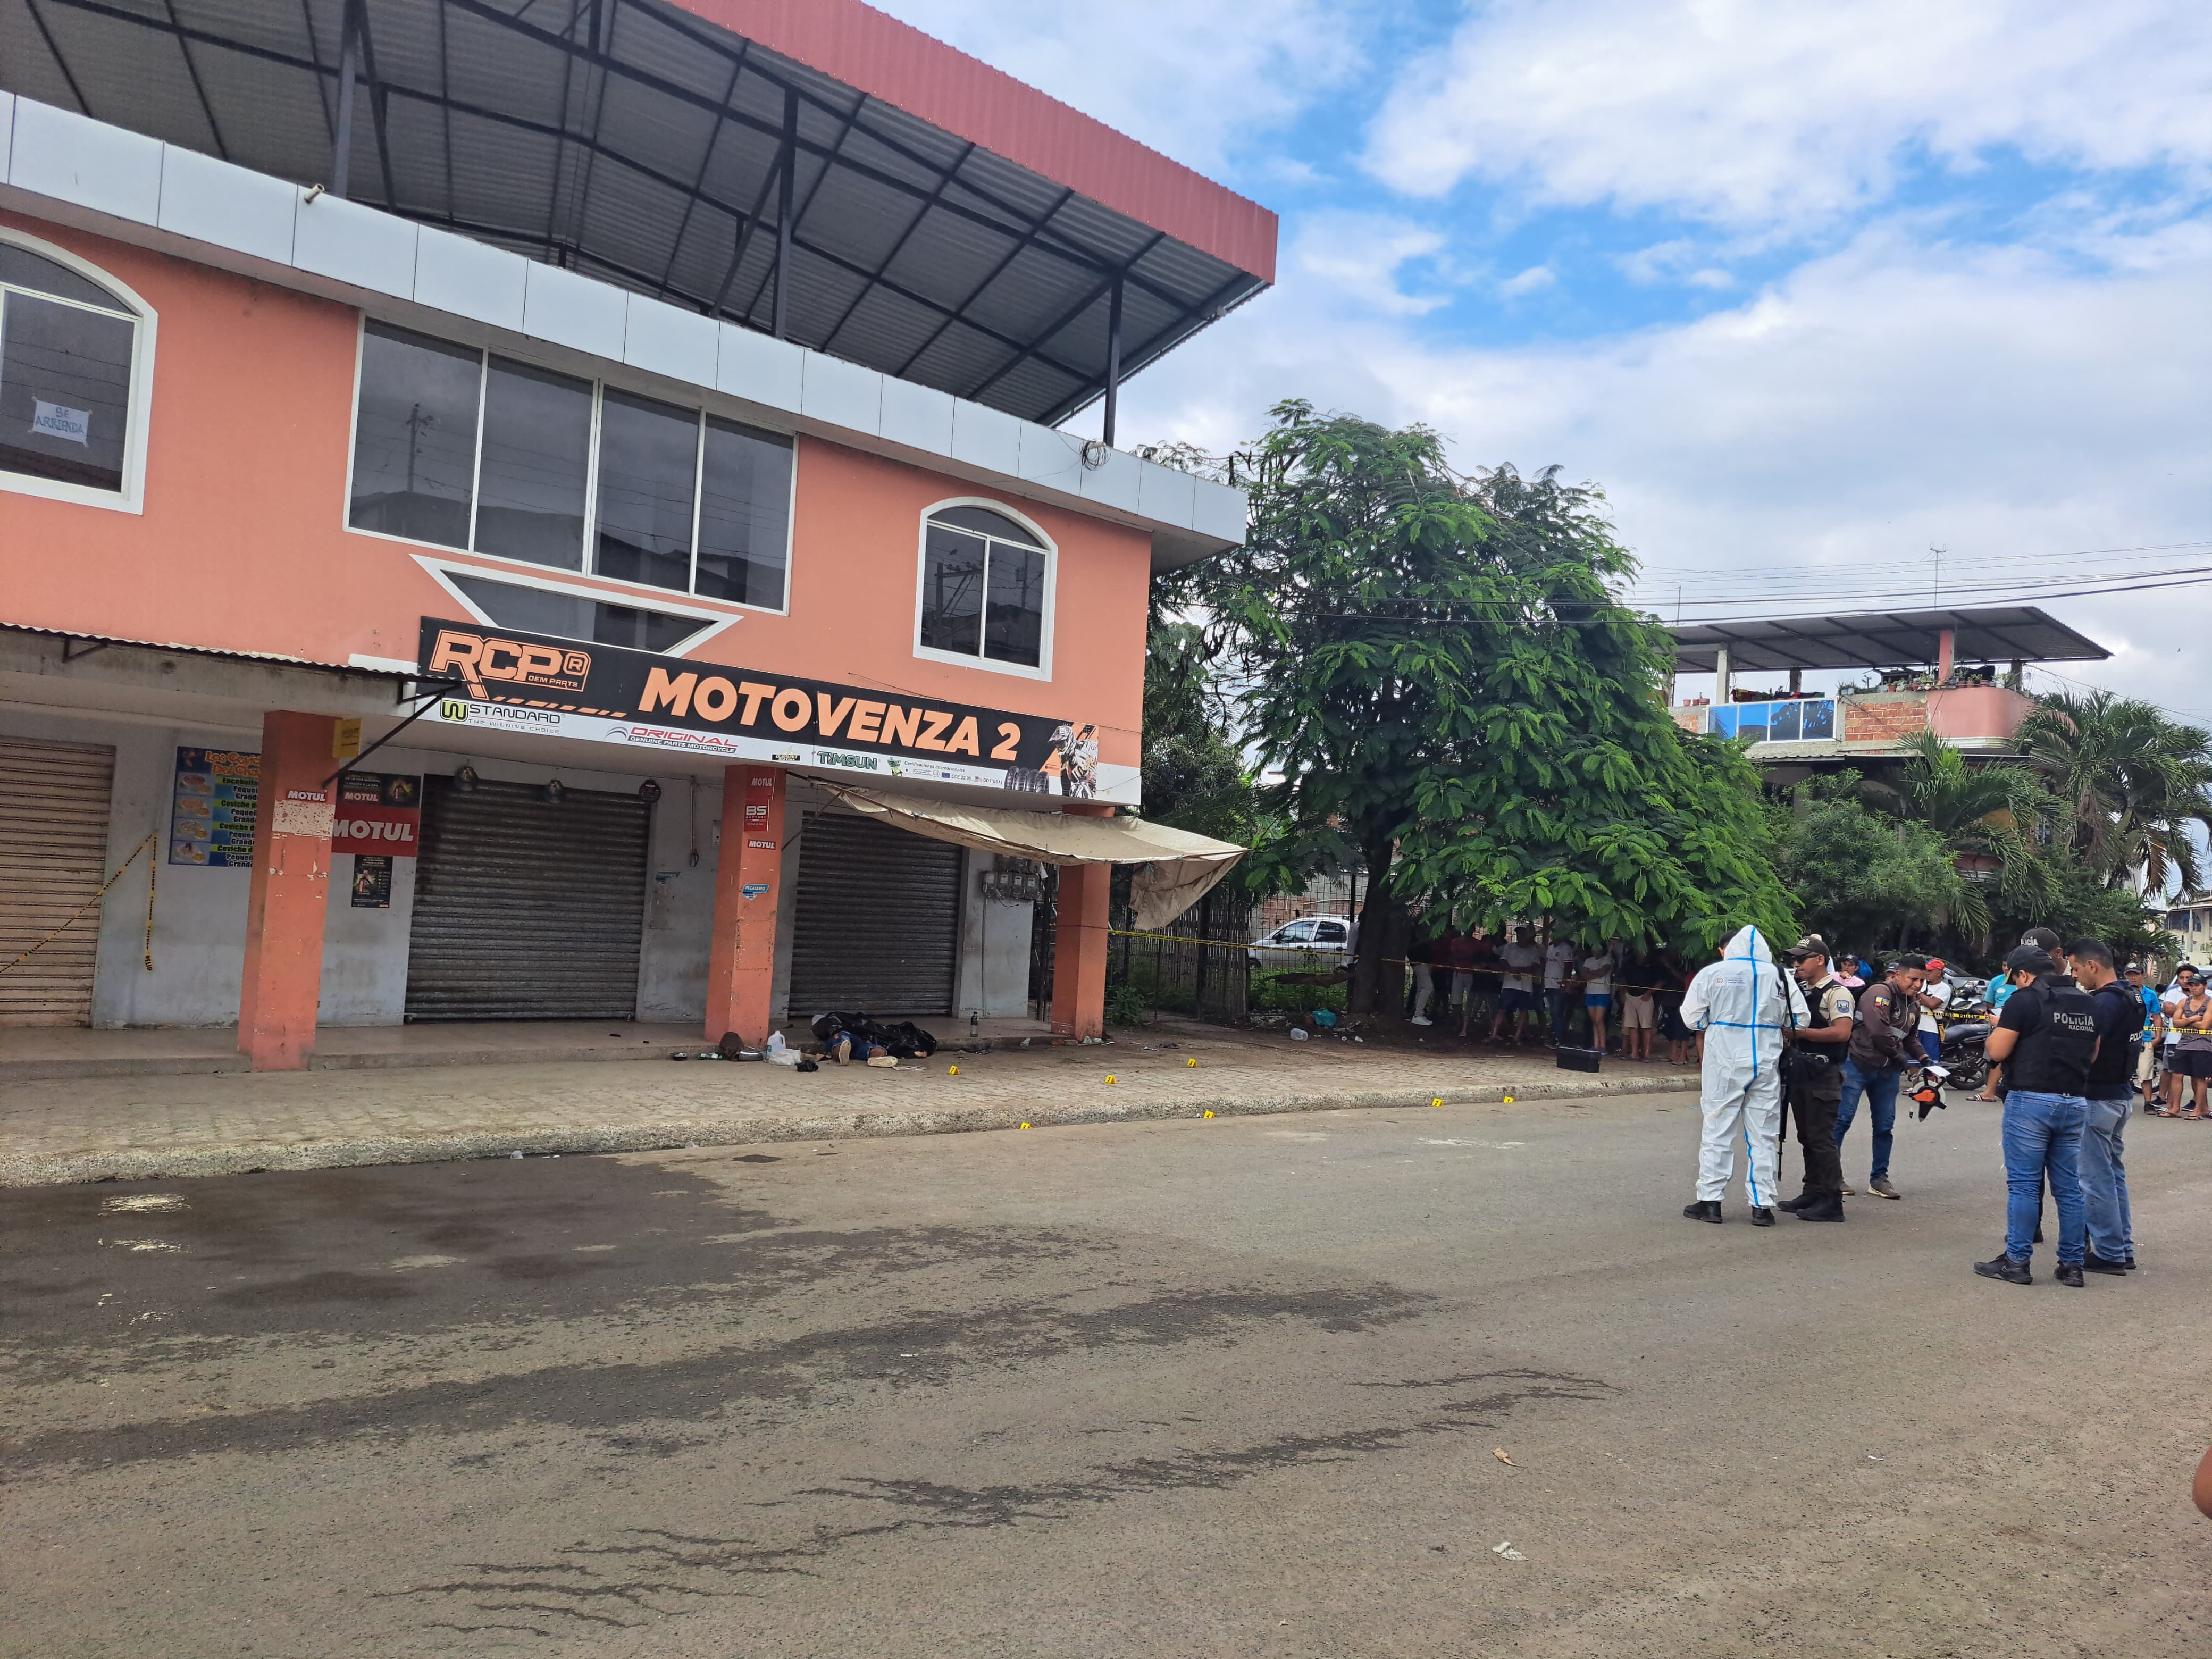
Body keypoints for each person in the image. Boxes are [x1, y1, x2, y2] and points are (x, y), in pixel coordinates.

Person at [1974, 944, 2098, 1287]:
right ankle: (2072, 1266)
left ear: (2024, 974)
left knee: (2025, 1186)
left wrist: (2001, 1026)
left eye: (2015, 979)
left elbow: (1997, 1051)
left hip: (2031, 1100)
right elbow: (2093, 1053)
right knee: (2069, 1189)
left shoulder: (2023, 1001)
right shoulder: (2087, 1001)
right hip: (2075, 1101)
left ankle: (2017, 1261)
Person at [1679, 924, 1809, 1225]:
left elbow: (1692, 1018)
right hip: (1766, 1060)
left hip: (1724, 1058)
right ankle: (1762, 1207)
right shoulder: (1779, 976)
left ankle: (1711, 1202)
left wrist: (1717, 1022)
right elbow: (1800, 1019)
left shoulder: (1713, 974)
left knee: (1717, 1130)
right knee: (1763, 1134)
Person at [1777, 935, 1857, 1223]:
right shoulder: (1801, 991)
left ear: (1820, 960)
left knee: (1822, 1139)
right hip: (1801, 1071)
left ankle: (1832, 1200)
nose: (1796, 964)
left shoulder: (1837, 993)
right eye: (1794, 960)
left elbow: (1841, 1032)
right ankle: (1812, 1191)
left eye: (1802, 959)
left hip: (1824, 1073)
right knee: (1806, 1136)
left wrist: (1800, 1034)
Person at [1833, 957, 1925, 1199]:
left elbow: (1909, 1037)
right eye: (1913, 979)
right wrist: (1900, 1057)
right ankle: (1831, 1176)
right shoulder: (1879, 992)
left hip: (1887, 1071)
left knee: (1885, 1127)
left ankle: (1879, 1179)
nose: (1917, 985)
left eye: (1921, 981)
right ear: (1898, 976)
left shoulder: (1913, 1004)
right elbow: (1879, 1031)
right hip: (1858, 1063)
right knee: (1842, 1121)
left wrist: (1924, 1059)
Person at [2071, 940, 2138, 1275]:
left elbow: (2091, 1047)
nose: (2076, 976)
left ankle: (2110, 1253)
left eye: (2077, 968)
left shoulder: (2103, 1002)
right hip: (2121, 1093)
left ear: (2092, 966)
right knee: (2112, 1175)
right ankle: (2122, 1247)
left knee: (2095, 1179)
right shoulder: (2133, 995)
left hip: (2098, 1096)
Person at [2169, 969, 2212, 1120]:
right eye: (2191, 986)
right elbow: (2176, 1024)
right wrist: (2193, 1019)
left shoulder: (2210, 1003)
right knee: (2176, 1075)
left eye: (2196, 985)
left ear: (2205, 986)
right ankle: (2175, 1108)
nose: (2193, 988)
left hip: (2203, 1045)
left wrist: (2185, 1020)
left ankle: (2198, 1111)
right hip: (2184, 1043)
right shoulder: (2184, 1002)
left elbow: (2205, 1026)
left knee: (2199, 1078)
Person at [1492, 926, 1543, 1046]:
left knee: (1523, 1011)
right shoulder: (1509, 947)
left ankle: (1517, 1036)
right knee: (1502, 1009)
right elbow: (1503, 961)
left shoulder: (1534, 951)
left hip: (1525, 986)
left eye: (1523, 934)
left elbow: (1534, 967)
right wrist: (1512, 971)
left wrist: (1518, 971)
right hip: (1509, 984)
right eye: (1519, 934)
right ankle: (1494, 1034)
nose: (1521, 937)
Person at [2125, 962, 2163, 1112]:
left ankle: (2148, 1103)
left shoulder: (2151, 994)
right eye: (2130, 974)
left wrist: (2158, 1037)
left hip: (2145, 1038)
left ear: (2143, 975)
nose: (2133, 977)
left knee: (2146, 1073)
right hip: (2124, 1039)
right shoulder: (2121, 992)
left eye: (2136, 974)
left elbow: (2157, 1015)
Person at [1617, 945, 1657, 1062]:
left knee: (1646, 1026)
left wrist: (1649, 993)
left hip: (1645, 997)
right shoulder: (1629, 963)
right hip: (1630, 996)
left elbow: (1661, 980)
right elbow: (1622, 978)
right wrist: (1622, 993)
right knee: (1632, 1026)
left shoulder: (1652, 965)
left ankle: (1647, 1054)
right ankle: (1634, 1053)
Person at [1914, 958, 1953, 1067]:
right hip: (1916, 1027)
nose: (1927, 973)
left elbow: (1933, 1004)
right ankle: (1915, 1084)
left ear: (1939, 972)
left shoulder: (1944, 988)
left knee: (1931, 1062)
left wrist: (1919, 994)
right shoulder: (1922, 984)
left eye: (1930, 971)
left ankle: (1931, 1083)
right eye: (1926, 970)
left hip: (1931, 1029)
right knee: (1913, 1061)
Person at [1543, 934, 1579, 1046]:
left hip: (1559, 985)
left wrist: (1564, 984)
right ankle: (1554, 1035)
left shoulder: (1566, 948)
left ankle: (1559, 1038)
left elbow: (1568, 967)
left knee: (1558, 1012)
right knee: (1553, 1012)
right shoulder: (1551, 947)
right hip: (1549, 984)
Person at [1580, 944, 1615, 1053]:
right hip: (1591, 992)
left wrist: (1591, 974)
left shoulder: (1607, 959)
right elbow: (1584, 975)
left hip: (1602, 992)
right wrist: (1594, 974)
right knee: (1594, 1020)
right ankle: (1596, 1045)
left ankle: (1603, 1045)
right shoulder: (1588, 960)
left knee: (1599, 1019)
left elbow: (1602, 972)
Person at [1406, 929, 1439, 1026]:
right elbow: (1411, 948)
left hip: (1423, 963)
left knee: (1421, 987)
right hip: (1420, 963)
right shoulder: (1415, 939)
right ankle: (1418, 1015)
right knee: (1428, 987)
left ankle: (1418, 1013)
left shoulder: (1420, 939)